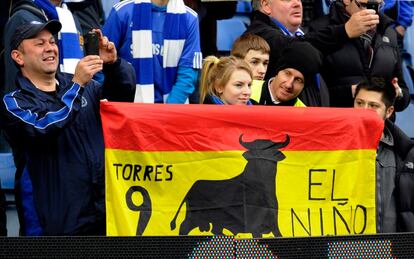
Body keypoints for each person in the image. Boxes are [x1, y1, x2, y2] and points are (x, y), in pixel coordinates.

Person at [0, 20, 132, 236]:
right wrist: (77, 86)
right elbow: (42, 128)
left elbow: (122, 100)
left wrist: (114, 65)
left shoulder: (81, 87)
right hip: (54, 225)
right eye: (40, 43)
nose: (50, 47)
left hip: (102, 215)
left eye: (52, 42)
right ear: (18, 57)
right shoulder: (13, 102)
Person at [244, 0, 379, 106]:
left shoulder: (304, 34)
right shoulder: (259, 34)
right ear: (266, 5)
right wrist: (344, 31)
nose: (297, 3)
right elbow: (297, 49)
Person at [309, 0, 410, 113]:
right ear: (347, 1)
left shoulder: (388, 33)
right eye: (365, 6)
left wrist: (397, 93)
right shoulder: (319, 29)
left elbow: (404, 94)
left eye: (378, 6)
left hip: (380, 125)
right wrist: (350, 92)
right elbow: (311, 94)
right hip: (338, 122)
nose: (372, 12)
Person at [103, 0, 203, 103]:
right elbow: (102, 63)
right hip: (126, 108)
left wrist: (167, 114)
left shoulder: (190, 18)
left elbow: (187, 75)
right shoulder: (122, 12)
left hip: (171, 111)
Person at [353, 77, 414, 233]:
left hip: (390, 247)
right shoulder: (333, 147)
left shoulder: (406, 153)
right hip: (342, 246)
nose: (364, 111)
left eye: (373, 106)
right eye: (359, 103)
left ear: (389, 111)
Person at [250, 41, 322, 107]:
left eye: (298, 80)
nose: (288, 85)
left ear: (304, 86)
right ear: (278, 71)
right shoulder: (245, 91)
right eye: (287, 73)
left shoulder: (303, 115)